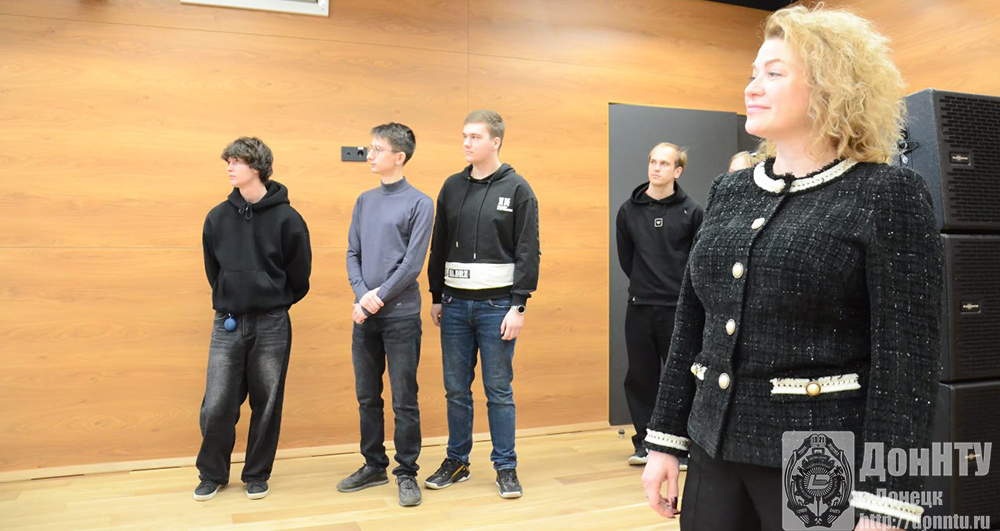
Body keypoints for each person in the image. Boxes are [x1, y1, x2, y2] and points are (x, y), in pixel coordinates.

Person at [640, 6, 942, 531]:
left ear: (831, 87)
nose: (752, 87)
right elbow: (693, 322)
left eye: (774, 73)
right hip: (713, 442)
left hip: (817, 456)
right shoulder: (729, 190)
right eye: (753, 73)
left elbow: (905, 362)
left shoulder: (887, 193)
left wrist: (887, 501)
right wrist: (665, 438)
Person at [425, 109, 540, 499]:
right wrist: (436, 296)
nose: (466, 143)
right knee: (456, 390)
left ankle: (505, 466)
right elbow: (439, 244)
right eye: (464, 136)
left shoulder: (519, 189)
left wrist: (518, 306)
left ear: (496, 142)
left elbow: (528, 251)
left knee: (498, 390)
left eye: (475, 137)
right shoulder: (451, 187)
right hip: (454, 307)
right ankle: (456, 461)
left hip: (497, 309)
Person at [195, 137, 312, 501]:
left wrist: (270, 300)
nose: (229, 168)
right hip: (227, 321)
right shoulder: (217, 217)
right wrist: (233, 295)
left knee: (267, 404)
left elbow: (299, 276)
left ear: (257, 167)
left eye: (236, 161)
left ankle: (257, 474)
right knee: (217, 405)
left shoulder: (288, 219)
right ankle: (212, 474)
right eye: (227, 162)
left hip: (272, 323)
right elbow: (213, 270)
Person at [337, 123, 434, 507]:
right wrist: (363, 296)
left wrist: (374, 298)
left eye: (377, 149)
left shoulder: (420, 203)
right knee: (367, 396)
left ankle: (406, 472)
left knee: (404, 399)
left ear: (399, 156)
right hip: (366, 316)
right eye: (370, 148)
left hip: (401, 317)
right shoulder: (364, 200)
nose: (370, 155)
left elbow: (412, 265)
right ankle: (373, 465)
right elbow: (352, 253)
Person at [615, 142, 703, 466]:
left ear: (677, 171)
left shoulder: (692, 211)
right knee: (641, 377)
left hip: (678, 309)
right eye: (653, 161)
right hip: (640, 305)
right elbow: (627, 258)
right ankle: (645, 443)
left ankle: (680, 445)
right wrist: (644, 284)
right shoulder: (628, 210)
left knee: (681, 378)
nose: (656, 167)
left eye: (664, 163)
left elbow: (696, 259)